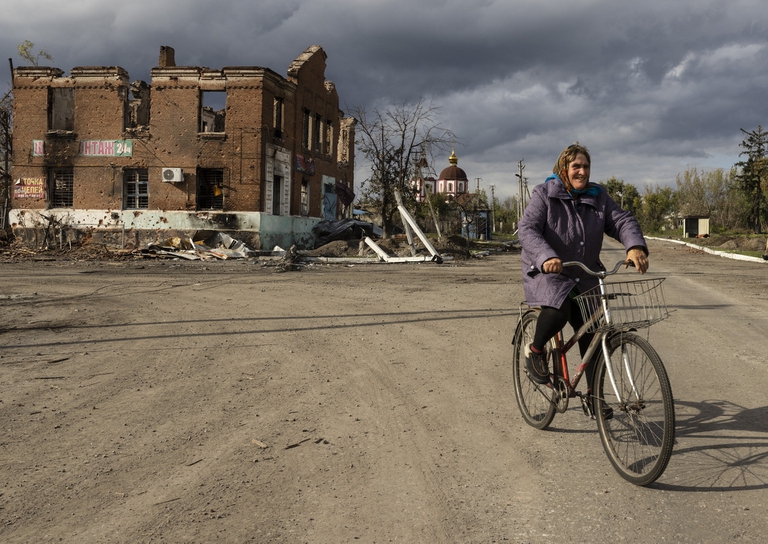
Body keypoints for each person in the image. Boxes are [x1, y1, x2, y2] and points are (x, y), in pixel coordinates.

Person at [517, 143, 649, 398]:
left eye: (586, 166)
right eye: (576, 166)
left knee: (593, 332)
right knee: (559, 311)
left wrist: (634, 246)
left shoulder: (598, 196)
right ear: (563, 169)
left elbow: (622, 220)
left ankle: (594, 397)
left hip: (585, 274)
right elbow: (527, 229)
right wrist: (547, 256)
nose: (582, 171)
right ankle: (534, 351)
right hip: (549, 273)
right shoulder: (544, 194)